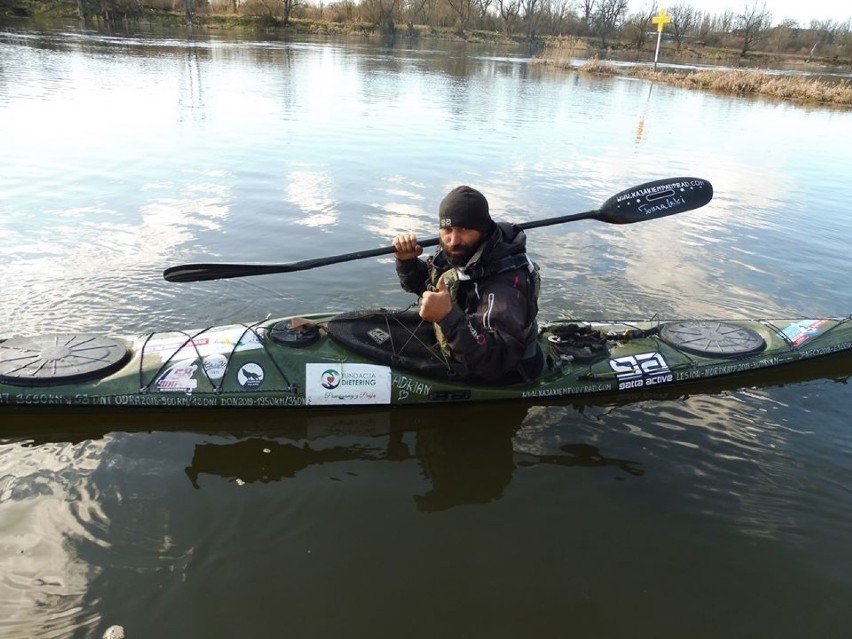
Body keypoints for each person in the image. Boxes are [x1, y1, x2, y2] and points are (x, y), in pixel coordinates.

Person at [392, 185, 543, 384]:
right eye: (447, 229)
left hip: (503, 370)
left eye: (464, 230)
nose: (453, 240)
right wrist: (407, 261)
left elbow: (496, 361)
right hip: (464, 338)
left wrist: (447, 317)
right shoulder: (463, 252)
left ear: (483, 230)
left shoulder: (503, 286)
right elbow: (427, 287)